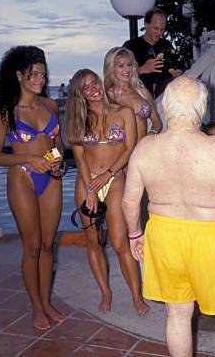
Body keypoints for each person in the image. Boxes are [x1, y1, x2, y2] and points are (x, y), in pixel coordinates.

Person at [122, 77, 215, 357]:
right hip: (209, 237)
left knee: (177, 313)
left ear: (165, 106)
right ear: (202, 109)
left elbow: (129, 201)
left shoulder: (144, 148)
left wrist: (134, 234)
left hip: (163, 235)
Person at [0, 46, 66, 331]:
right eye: (33, 74)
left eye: (43, 74)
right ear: (19, 75)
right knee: (32, 246)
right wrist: (29, 159)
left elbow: (58, 144)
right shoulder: (5, 111)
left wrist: (59, 162)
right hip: (22, 177)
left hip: (51, 179)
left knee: (48, 245)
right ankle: (36, 307)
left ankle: (46, 302)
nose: (40, 80)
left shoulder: (50, 106)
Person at [65, 68, 149, 316]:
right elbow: (80, 159)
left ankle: (136, 296)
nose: (93, 89)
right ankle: (106, 293)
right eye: (86, 88)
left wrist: (109, 174)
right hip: (87, 182)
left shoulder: (123, 112)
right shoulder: (79, 119)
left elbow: (129, 147)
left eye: (94, 83)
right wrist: (90, 189)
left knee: (120, 243)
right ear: (80, 95)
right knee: (93, 242)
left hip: (115, 178)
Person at [104, 47, 163, 141]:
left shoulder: (143, 93)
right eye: (121, 66)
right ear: (111, 68)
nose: (127, 70)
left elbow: (157, 122)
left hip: (142, 151)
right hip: (120, 153)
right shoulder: (106, 97)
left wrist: (152, 133)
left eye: (129, 65)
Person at [123, 8, 184, 98]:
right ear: (146, 24)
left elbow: (179, 64)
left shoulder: (166, 45)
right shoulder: (130, 46)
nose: (159, 33)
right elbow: (118, 74)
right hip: (139, 100)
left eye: (162, 29)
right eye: (155, 28)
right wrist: (143, 69)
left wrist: (178, 71)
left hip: (164, 100)